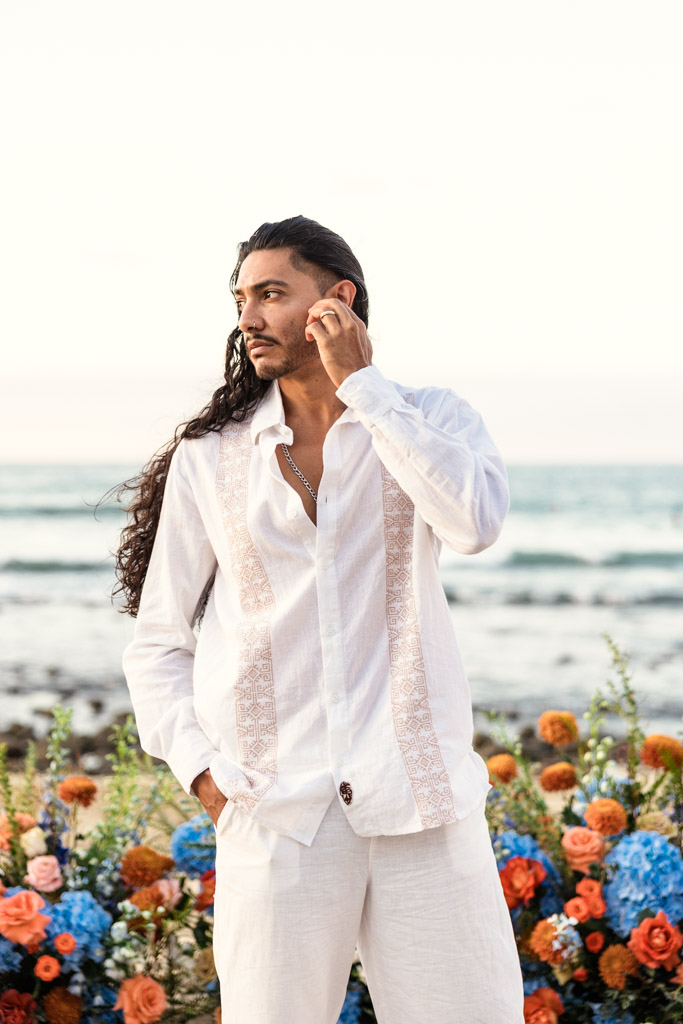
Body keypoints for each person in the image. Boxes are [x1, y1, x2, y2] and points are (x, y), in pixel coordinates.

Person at [119, 215, 524, 1023]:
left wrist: (364, 388)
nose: (249, 317)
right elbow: (159, 641)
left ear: (336, 301)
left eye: (272, 293)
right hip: (274, 814)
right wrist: (207, 777)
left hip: (422, 807)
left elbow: (474, 523)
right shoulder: (214, 455)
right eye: (242, 298)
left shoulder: (428, 416)